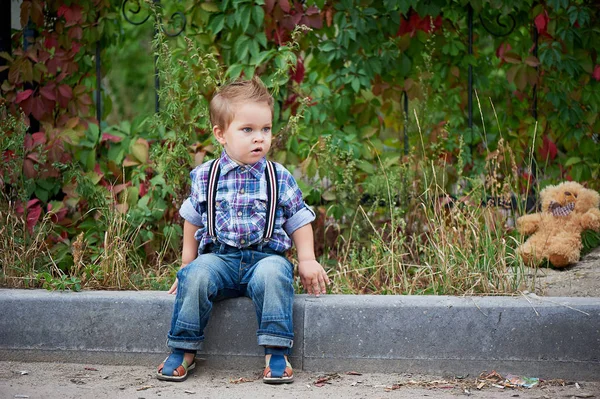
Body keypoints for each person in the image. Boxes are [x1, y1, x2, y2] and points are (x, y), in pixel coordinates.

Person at [157, 77, 330, 384]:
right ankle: (183, 349)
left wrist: (307, 258)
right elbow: (192, 218)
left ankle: (276, 352)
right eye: (247, 130)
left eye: (265, 129)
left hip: (265, 258)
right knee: (195, 276)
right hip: (219, 259)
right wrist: (187, 262)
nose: (258, 138)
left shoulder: (278, 176)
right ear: (221, 134)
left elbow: (299, 219)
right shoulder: (205, 175)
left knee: (275, 276)